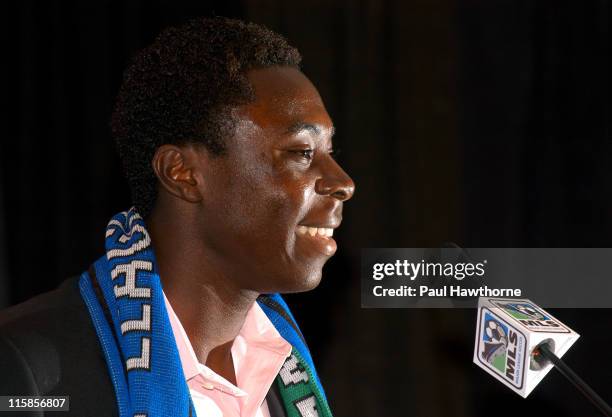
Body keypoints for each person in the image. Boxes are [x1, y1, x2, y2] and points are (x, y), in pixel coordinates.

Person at [0, 17, 354, 417]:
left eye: (329, 153)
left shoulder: (284, 370)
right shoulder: (27, 369)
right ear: (183, 174)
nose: (344, 183)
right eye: (302, 152)